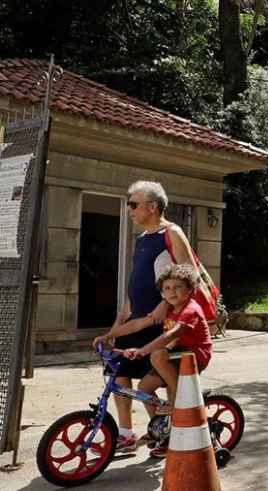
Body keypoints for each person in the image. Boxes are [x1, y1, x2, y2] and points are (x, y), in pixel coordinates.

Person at [91, 181, 196, 452]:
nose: (129, 209)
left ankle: (164, 433)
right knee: (119, 375)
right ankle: (126, 434)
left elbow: (189, 273)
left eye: (134, 204)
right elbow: (135, 285)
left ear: (153, 206)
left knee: (152, 382)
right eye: (129, 204)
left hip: (161, 324)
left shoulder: (171, 232)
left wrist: (165, 303)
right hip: (136, 319)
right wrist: (119, 322)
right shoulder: (142, 239)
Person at [99, 263, 213, 457]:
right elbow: (136, 324)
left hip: (195, 355)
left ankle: (179, 400)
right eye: (167, 288)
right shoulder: (167, 308)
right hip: (176, 353)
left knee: (157, 355)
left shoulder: (190, 309)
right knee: (144, 388)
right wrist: (109, 335)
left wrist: (143, 350)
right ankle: (161, 433)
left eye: (178, 287)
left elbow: (172, 335)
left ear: (190, 290)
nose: (172, 292)